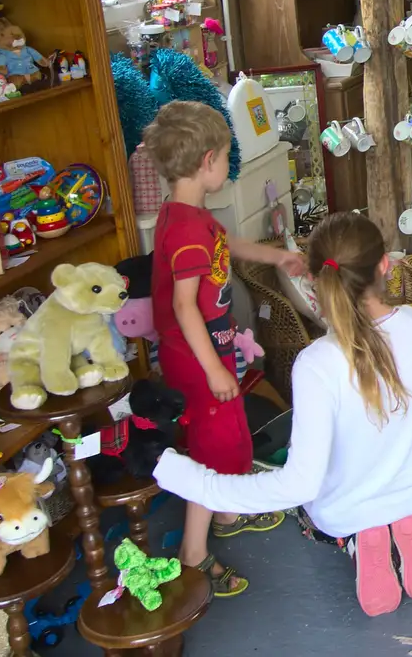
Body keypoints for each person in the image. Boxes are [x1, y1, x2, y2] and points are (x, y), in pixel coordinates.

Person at [155, 211, 412, 617]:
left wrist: (193, 480)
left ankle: (362, 535)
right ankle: (405, 519)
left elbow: (298, 486)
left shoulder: (315, 363)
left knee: (314, 507)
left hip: (346, 509)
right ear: (385, 266)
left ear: (314, 280)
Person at [142, 101, 307, 597]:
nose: (228, 163)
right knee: (212, 450)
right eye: (228, 156)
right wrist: (214, 368)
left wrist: (278, 255)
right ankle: (194, 554)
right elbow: (185, 305)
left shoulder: (187, 215)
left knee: (230, 432)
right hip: (197, 360)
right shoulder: (188, 231)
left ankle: (230, 511)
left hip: (207, 351)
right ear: (208, 161)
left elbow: (228, 246)